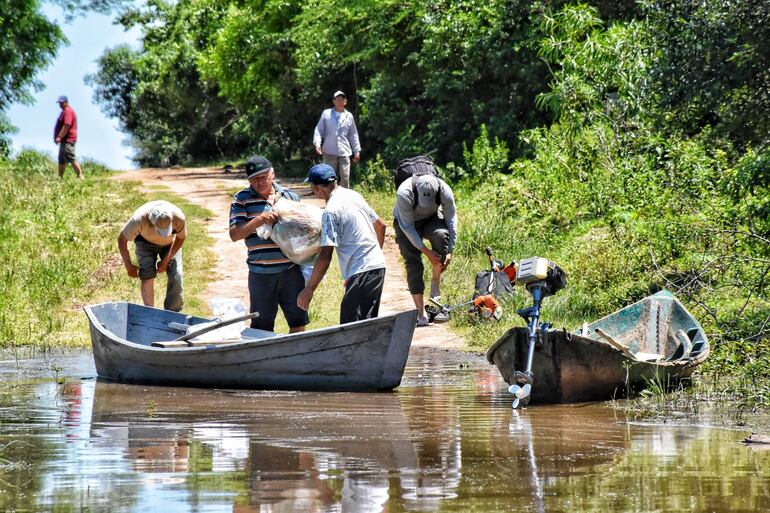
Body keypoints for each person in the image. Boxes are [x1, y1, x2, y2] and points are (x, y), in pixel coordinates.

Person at [297, 164, 387, 324]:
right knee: (366, 326)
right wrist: (372, 258)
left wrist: (309, 289)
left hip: (363, 272)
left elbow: (325, 256)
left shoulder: (330, 211)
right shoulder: (353, 195)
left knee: (350, 330)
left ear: (317, 188)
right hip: (377, 267)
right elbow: (381, 225)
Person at [229, 155, 309, 333]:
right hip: (260, 274)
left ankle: (296, 357)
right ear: (249, 180)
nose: (260, 182)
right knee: (261, 327)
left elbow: (304, 230)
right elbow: (235, 234)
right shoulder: (241, 199)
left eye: (263, 176)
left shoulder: (290, 197)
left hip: (291, 272)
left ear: (272, 173)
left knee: (298, 322)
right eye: (254, 179)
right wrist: (260, 220)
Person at [393, 173, 458, 327]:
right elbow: (407, 226)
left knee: (442, 237)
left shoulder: (444, 190)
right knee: (413, 263)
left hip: (431, 219)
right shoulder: (404, 193)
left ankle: (435, 296)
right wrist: (427, 252)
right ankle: (420, 314)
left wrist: (450, 250)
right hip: (406, 223)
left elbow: (451, 220)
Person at [118, 200, 186, 311]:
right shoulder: (138, 219)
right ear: (152, 222)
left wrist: (166, 261)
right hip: (144, 243)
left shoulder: (179, 217)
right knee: (147, 276)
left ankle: (173, 313)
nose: (163, 235)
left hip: (170, 245)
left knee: (176, 275)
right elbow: (122, 239)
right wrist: (128, 266)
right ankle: (150, 312)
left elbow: (181, 238)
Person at [313, 90, 361, 188]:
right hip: (329, 151)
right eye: (337, 99)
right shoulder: (326, 114)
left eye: (342, 99)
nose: (340, 101)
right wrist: (317, 143)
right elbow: (319, 129)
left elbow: (353, 134)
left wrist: (356, 150)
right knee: (328, 178)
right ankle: (329, 198)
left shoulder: (349, 116)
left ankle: (344, 200)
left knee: (345, 177)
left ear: (345, 102)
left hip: (344, 151)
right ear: (333, 101)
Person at [53, 95, 84, 179]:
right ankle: (60, 177)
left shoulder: (68, 111)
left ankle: (80, 175)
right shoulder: (64, 112)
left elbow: (67, 125)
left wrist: (59, 136)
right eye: (59, 103)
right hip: (64, 140)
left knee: (71, 157)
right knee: (62, 159)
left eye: (62, 102)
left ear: (66, 102)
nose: (60, 104)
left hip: (68, 139)